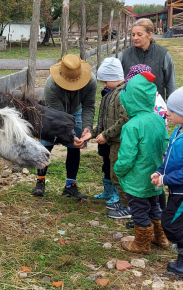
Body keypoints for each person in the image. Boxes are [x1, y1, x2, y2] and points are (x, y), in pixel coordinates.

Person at [114, 71, 169, 254]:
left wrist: (119, 170)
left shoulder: (132, 125)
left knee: (139, 210)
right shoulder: (158, 119)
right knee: (155, 206)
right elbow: (164, 145)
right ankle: (161, 238)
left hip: (137, 179)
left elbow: (127, 156)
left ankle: (142, 243)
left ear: (131, 99)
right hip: (155, 175)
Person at [31, 54, 96, 199]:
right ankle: (40, 182)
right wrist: (70, 135)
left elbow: (89, 106)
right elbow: (59, 117)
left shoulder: (91, 82)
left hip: (76, 110)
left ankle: (70, 185)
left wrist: (86, 127)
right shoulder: (51, 85)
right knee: (46, 143)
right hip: (53, 112)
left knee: (75, 145)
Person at [82, 58, 129, 215]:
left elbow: (123, 121)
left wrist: (106, 135)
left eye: (105, 81)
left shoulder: (122, 95)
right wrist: (93, 133)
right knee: (110, 170)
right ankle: (114, 196)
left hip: (118, 141)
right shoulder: (110, 93)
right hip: (111, 141)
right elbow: (105, 121)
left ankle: (126, 205)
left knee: (118, 173)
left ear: (115, 77)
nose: (103, 85)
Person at [151, 87, 183, 276]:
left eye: (171, 110)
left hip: (181, 191)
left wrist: (166, 178)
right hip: (176, 188)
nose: (167, 112)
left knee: (171, 224)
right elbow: (170, 157)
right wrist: (160, 171)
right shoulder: (178, 130)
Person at [119, 18, 176, 101]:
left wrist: (171, 107)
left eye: (139, 34)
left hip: (154, 107)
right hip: (130, 106)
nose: (135, 38)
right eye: (133, 35)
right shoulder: (125, 55)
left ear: (149, 35)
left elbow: (171, 84)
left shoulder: (163, 54)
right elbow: (117, 82)